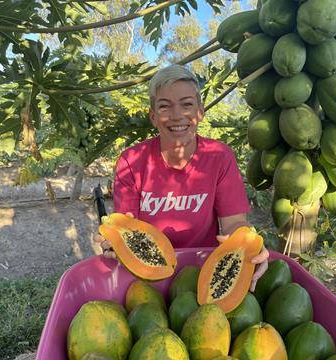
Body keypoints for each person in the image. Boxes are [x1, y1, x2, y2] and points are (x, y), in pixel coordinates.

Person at [94, 64, 268, 291]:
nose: (177, 116)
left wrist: (247, 243)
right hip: (147, 277)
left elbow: (233, 223)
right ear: (154, 117)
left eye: (187, 105)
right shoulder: (131, 161)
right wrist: (114, 243)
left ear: (200, 112)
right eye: (165, 107)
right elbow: (127, 224)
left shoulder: (219, 156)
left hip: (203, 269)